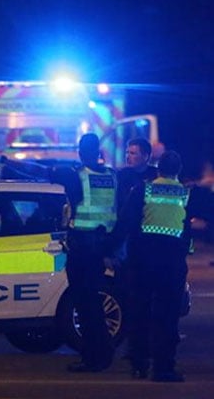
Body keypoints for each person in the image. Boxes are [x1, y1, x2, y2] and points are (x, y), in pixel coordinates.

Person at [112, 151, 191, 382]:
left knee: (140, 313)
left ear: (158, 169)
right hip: (172, 264)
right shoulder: (185, 194)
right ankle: (164, 368)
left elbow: (125, 223)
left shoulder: (143, 190)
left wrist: (110, 250)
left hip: (142, 262)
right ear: (178, 170)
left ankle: (139, 365)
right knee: (167, 317)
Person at [51, 133, 118, 373]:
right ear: (99, 150)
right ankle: (101, 353)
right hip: (100, 248)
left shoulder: (76, 176)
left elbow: (40, 171)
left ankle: (95, 357)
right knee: (93, 304)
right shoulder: (111, 176)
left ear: (80, 151)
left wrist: (10, 163)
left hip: (82, 250)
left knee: (85, 306)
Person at [116, 138, 158, 211]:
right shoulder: (121, 175)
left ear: (145, 156)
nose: (128, 157)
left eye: (132, 153)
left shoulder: (155, 175)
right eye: (127, 152)